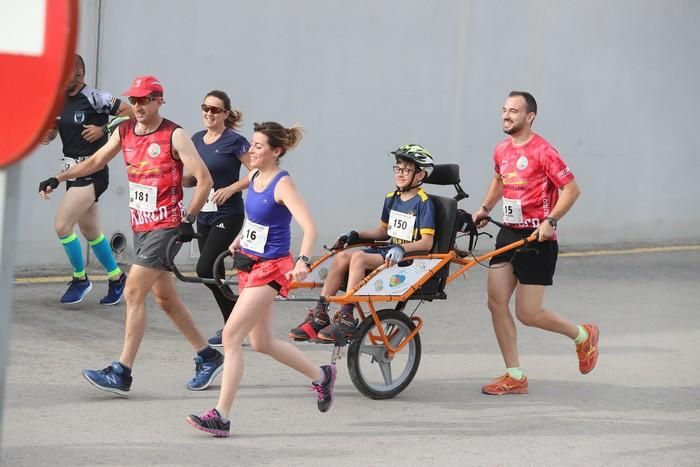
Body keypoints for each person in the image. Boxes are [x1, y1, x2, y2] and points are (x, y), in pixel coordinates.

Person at [39, 75, 224, 395]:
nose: (137, 106)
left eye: (144, 100)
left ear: (159, 101)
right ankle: (208, 356)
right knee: (165, 299)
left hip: (165, 226)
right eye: (134, 100)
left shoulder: (174, 135)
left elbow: (204, 179)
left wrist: (188, 219)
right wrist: (59, 177)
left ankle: (122, 371)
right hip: (141, 226)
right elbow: (96, 160)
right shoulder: (124, 130)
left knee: (133, 293)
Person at [186, 121, 335, 438]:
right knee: (262, 342)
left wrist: (304, 262)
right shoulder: (253, 176)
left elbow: (310, 227)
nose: (250, 150)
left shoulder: (283, 185)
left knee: (230, 337)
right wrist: (241, 239)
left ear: (276, 151)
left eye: (257, 146)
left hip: (273, 268)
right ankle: (321, 375)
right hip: (249, 263)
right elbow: (255, 218)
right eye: (251, 144)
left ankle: (221, 416)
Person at [471, 91, 599, 395]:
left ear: (530, 117)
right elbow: (499, 180)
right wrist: (485, 209)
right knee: (495, 302)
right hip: (509, 234)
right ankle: (514, 375)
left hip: (537, 240)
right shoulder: (501, 150)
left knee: (528, 314)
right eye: (504, 109)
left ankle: (582, 335)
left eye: (514, 111)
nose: (506, 115)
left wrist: (550, 220)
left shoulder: (544, 151)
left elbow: (571, 190)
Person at [288, 144, 436, 344]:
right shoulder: (392, 198)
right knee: (341, 256)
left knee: (357, 257)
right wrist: (356, 234)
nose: (400, 173)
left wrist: (402, 247)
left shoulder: (423, 202)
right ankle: (320, 314)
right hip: (388, 251)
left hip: (407, 257)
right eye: (398, 168)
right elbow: (383, 232)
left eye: (407, 170)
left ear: (420, 175)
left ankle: (347, 318)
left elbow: (427, 243)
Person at [39, 54, 131, 305]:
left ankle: (80, 279)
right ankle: (116, 277)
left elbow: (130, 114)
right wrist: (49, 134)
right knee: (90, 231)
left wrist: (104, 129)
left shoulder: (95, 97)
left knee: (62, 225)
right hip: (71, 170)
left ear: (79, 75)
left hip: (93, 170)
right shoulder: (59, 100)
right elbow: (59, 127)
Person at [183, 90, 251, 348]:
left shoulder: (235, 141)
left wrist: (231, 188)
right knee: (213, 274)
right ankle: (234, 326)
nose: (209, 113)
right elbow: (193, 178)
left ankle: (235, 322)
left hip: (229, 213)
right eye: (206, 108)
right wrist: (176, 178)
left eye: (215, 110)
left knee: (205, 268)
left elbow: (255, 173)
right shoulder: (196, 139)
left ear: (226, 114)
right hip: (205, 213)